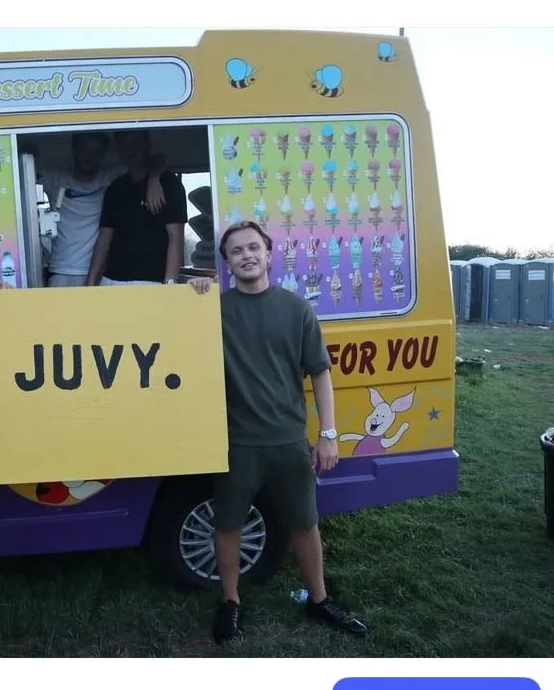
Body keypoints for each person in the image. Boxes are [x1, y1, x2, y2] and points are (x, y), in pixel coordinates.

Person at [195, 220, 366, 644]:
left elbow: (320, 375)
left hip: (290, 442)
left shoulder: (297, 309)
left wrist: (329, 434)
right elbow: (170, 331)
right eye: (236, 251)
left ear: (269, 254)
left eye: (254, 247)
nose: (246, 255)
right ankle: (230, 601)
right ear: (228, 263)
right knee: (229, 524)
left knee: (305, 523)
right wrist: (192, 295)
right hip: (236, 443)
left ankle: (319, 600)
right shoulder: (213, 311)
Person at [40, 129, 165, 286]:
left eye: (97, 152)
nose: (90, 156)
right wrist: (23, 151)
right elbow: (17, 177)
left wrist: (154, 179)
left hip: (100, 272)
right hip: (61, 271)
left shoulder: (110, 178)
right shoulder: (55, 178)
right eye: (85, 149)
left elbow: (157, 159)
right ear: (74, 150)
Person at [86, 127, 188, 286]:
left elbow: (176, 238)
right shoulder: (115, 188)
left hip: (152, 282)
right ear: (118, 150)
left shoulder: (170, 184)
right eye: (124, 145)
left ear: (147, 144)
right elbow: (104, 239)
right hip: (112, 280)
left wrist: (170, 285)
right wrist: (91, 282)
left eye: (136, 142)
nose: (130, 149)